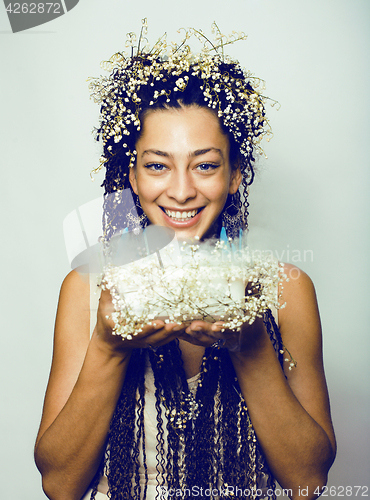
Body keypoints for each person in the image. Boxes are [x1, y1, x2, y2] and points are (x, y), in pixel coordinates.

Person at [34, 22, 336, 500]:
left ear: (236, 174)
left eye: (205, 165)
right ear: (131, 176)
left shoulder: (286, 288)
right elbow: (59, 484)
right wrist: (109, 349)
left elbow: (309, 483)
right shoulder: (88, 287)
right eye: (157, 165)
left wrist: (252, 346)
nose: (180, 190)